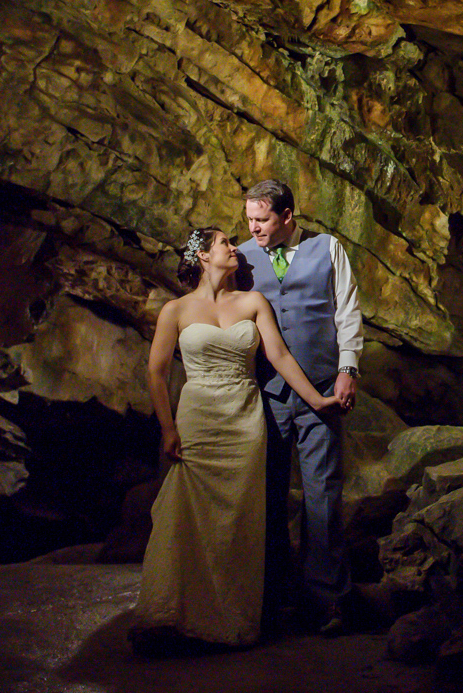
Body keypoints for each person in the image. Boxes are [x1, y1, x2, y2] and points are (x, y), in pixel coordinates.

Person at [130, 226, 339, 653]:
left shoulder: (252, 301)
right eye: (225, 242)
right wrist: (168, 427)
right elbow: (156, 371)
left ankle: (228, 618)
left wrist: (317, 399)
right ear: (203, 256)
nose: (235, 249)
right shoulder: (176, 309)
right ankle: (175, 615)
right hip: (198, 419)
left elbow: (279, 356)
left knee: (238, 520)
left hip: (244, 419)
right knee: (189, 516)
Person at [237, 180, 362, 636]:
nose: (254, 228)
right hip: (265, 393)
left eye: (262, 219)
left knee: (322, 493)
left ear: (287, 215)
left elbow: (347, 310)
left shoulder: (328, 248)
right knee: (266, 496)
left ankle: (326, 602)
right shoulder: (240, 256)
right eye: (250, 220)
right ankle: (269, 600)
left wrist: (348, 367)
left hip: (323, 388)